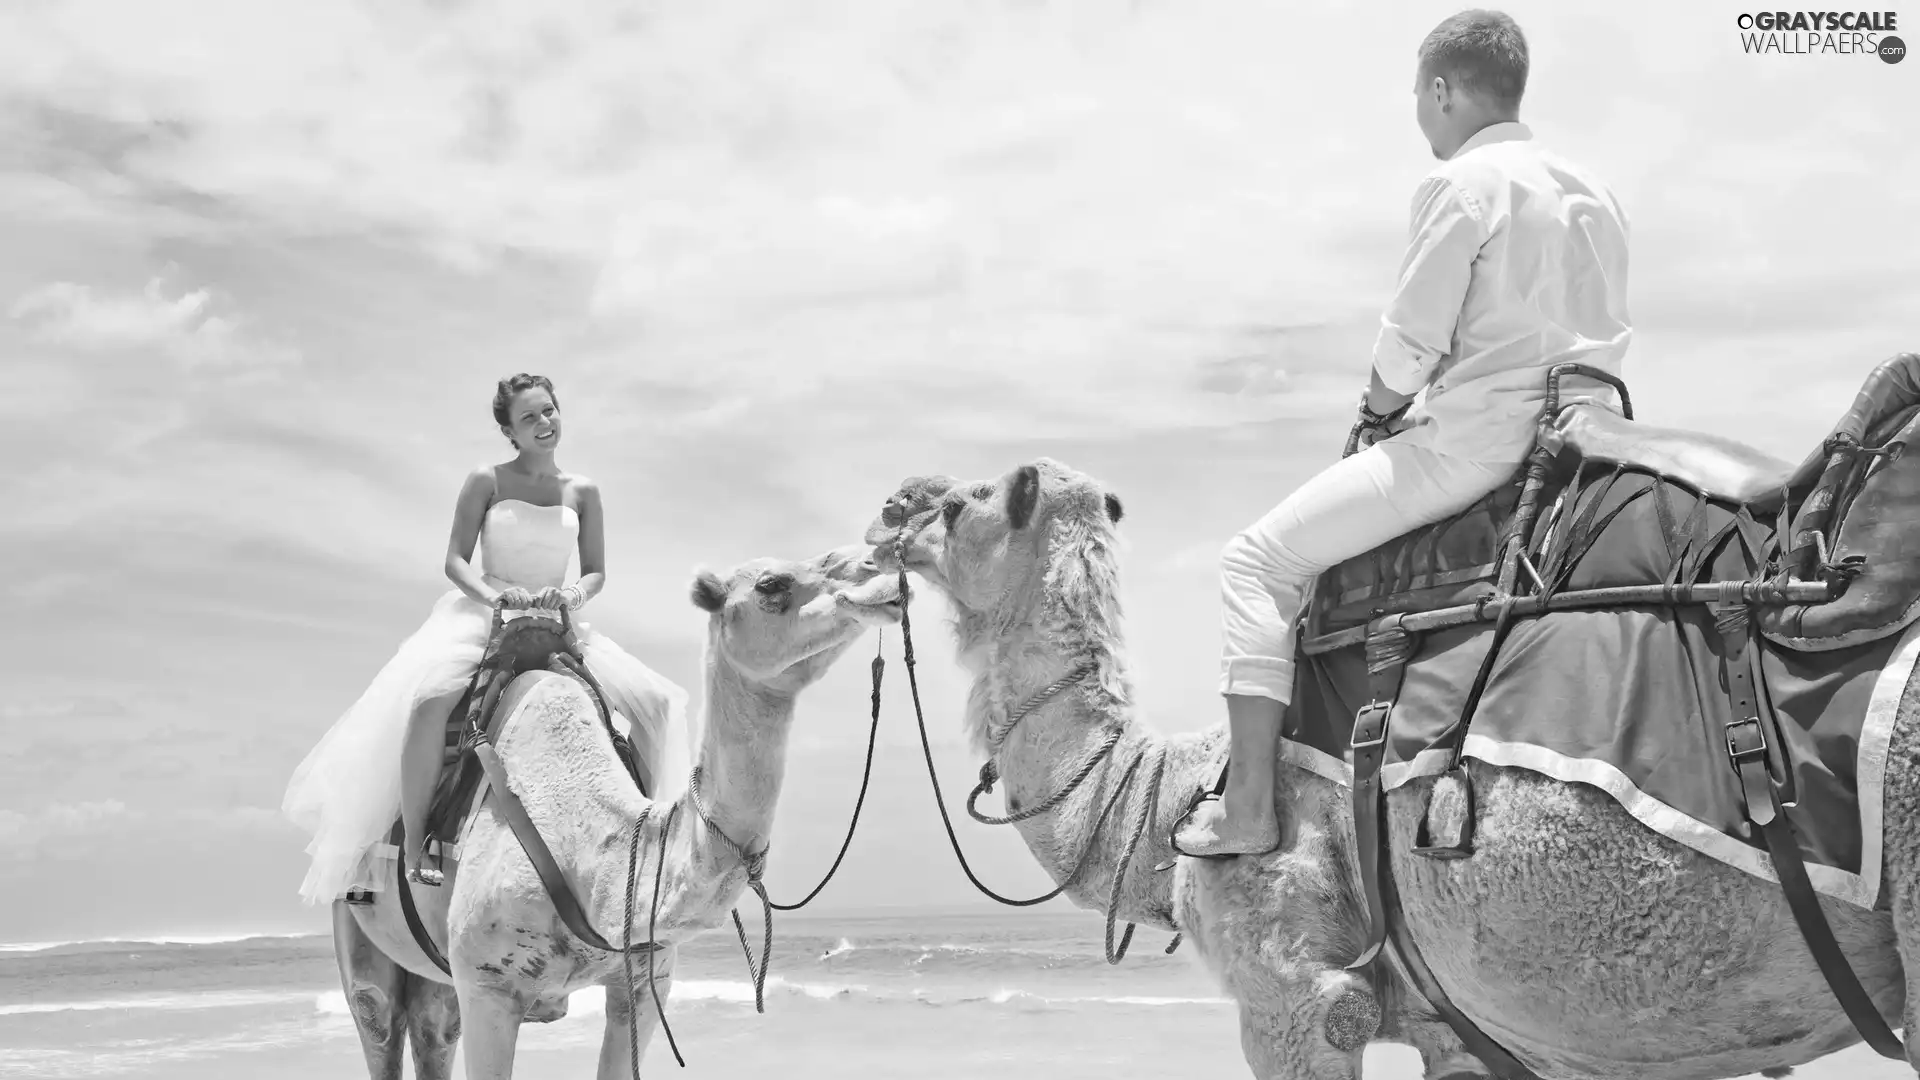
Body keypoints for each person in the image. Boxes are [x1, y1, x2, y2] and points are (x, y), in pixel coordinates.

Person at [1172, 9, 1632, 857]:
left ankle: (1245, 810)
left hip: (1483, 444)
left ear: (1443, 89)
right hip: (1594, 437)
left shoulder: (1463, 185)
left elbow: (1409, 347)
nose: (1419, 112)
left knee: (1254, 560)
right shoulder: (1594, 191)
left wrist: (1377, 414)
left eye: (1420, 95)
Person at [282, 373, 692, 901]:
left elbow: (595, 572)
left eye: (549, 411)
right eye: (530, 418)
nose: (545, 423)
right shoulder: (487, 480)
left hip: (556, 614)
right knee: (430, 701)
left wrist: (572, 596)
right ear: (510, 430)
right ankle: (415, 844)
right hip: (487, 610)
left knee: (656, 705)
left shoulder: (583, 491)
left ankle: (646, 845)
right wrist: (495, 597)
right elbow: (455, 560)